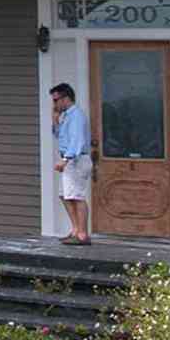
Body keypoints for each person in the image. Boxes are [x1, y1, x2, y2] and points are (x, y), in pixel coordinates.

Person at [50, 82, 92, 245]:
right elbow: (60, 136)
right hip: (70, 160)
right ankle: (75, 229)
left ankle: (82, 234)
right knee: (65, 194)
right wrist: (55, 120)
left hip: (76, 159)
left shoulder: (76, 116)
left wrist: (65, 160)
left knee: (76, 196)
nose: (54, 104)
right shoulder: (67, 116)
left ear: (66, 98)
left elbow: (77, 141)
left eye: (56, 100)